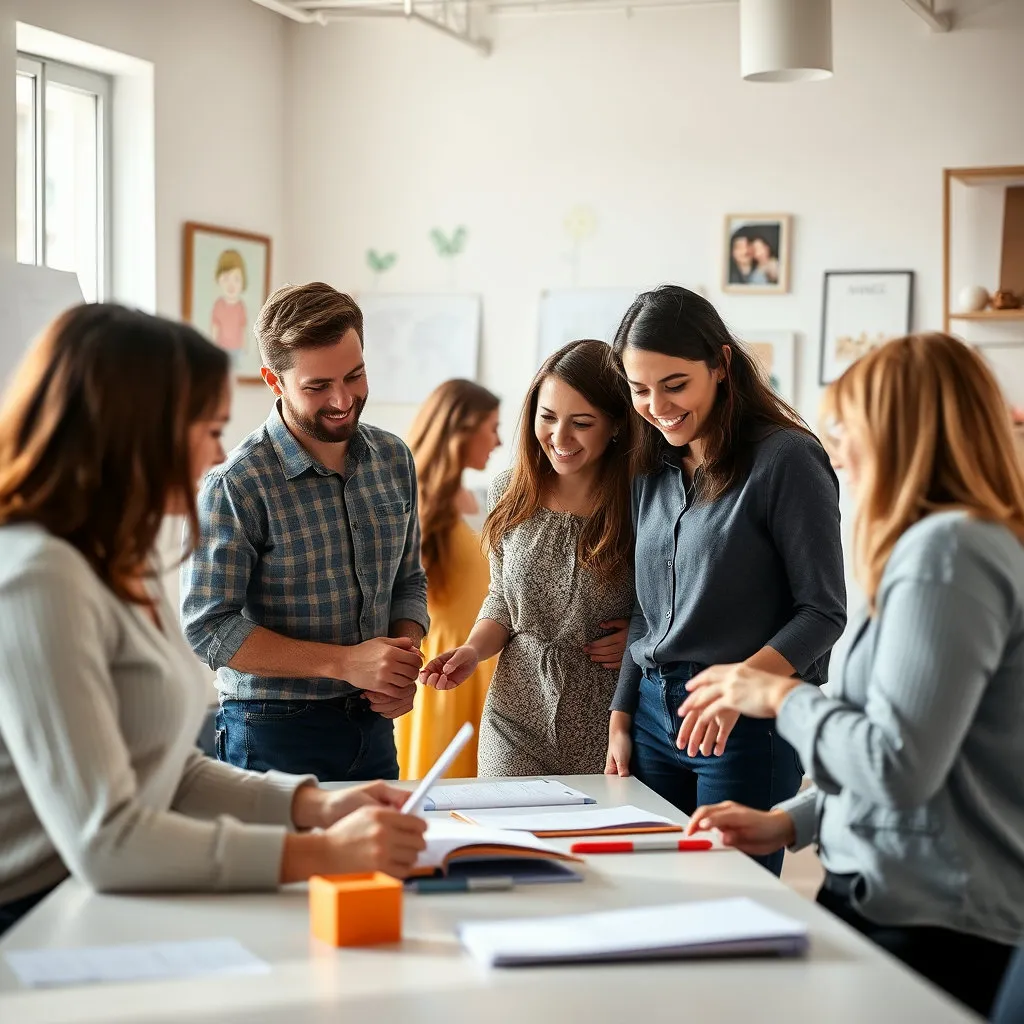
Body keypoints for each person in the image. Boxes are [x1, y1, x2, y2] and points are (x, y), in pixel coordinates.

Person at [0, 304, 427, 938]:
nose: (214, 453)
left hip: (95, 901)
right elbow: (108, 839)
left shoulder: (121, 557)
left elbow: (167, 770)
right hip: (36, 914)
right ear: (134, 434)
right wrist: (321, 850)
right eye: (205, 428)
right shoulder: (38, 577)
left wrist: (317, 804)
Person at [680, 332, 1024, 1017]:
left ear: (900, 431)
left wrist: (778, 695)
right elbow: (911, 751)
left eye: (845, 425)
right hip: (901, 896)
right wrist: (790, 823)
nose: (833, 446)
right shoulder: (931, 548)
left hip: (933, 917)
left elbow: (896, 765)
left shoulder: (947, 552)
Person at [606, 285, 846, 877]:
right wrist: (622, 709)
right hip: (655, 719)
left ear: (721, 364)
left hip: (747, 723)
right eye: (640, 390)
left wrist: (741, 686)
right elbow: (649, 608)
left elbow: (823, 612)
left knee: (730, 900)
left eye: (675, 384)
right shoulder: (650, 468)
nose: (657, 406)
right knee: (652, 894)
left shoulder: (786, 459)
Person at [181, 283, 429, 782]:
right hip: (271, 731)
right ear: (274, 380)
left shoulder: (394, 458)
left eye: (355, 375)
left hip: (374, 727)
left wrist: (398, 664)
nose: (342, 400)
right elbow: (208, 627)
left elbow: (409, 582)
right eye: (318, 386)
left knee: (380, 862)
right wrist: (346, 663)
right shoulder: (238, 483)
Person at [420, 340, 635, 775]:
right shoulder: (510, 492)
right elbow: (501, 600)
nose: (559, 437)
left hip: (607, 718)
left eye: (582, 423)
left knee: (586, 842)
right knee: (506, 837)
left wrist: (639, 636)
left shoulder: (641, 501)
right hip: (514, 712)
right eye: (548, 417)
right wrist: (471, 650)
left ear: (615, 425)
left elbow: (669, 602)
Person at [395, 379, 502, 780]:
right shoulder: (414, 500)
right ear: (462, 428)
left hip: (480, 659)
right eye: (491, 427)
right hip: (441, 666)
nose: (498, 439)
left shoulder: (479, 497)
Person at [210, 249, 248, 352]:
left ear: (243, 280)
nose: (231, 285)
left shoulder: (241, 306)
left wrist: (245, 348)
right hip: (221, 349)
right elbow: (215, 328)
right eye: (226, 278)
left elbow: (243, 328)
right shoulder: (218, 305)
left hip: (237, 350)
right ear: (219, 279)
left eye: (236, 278)